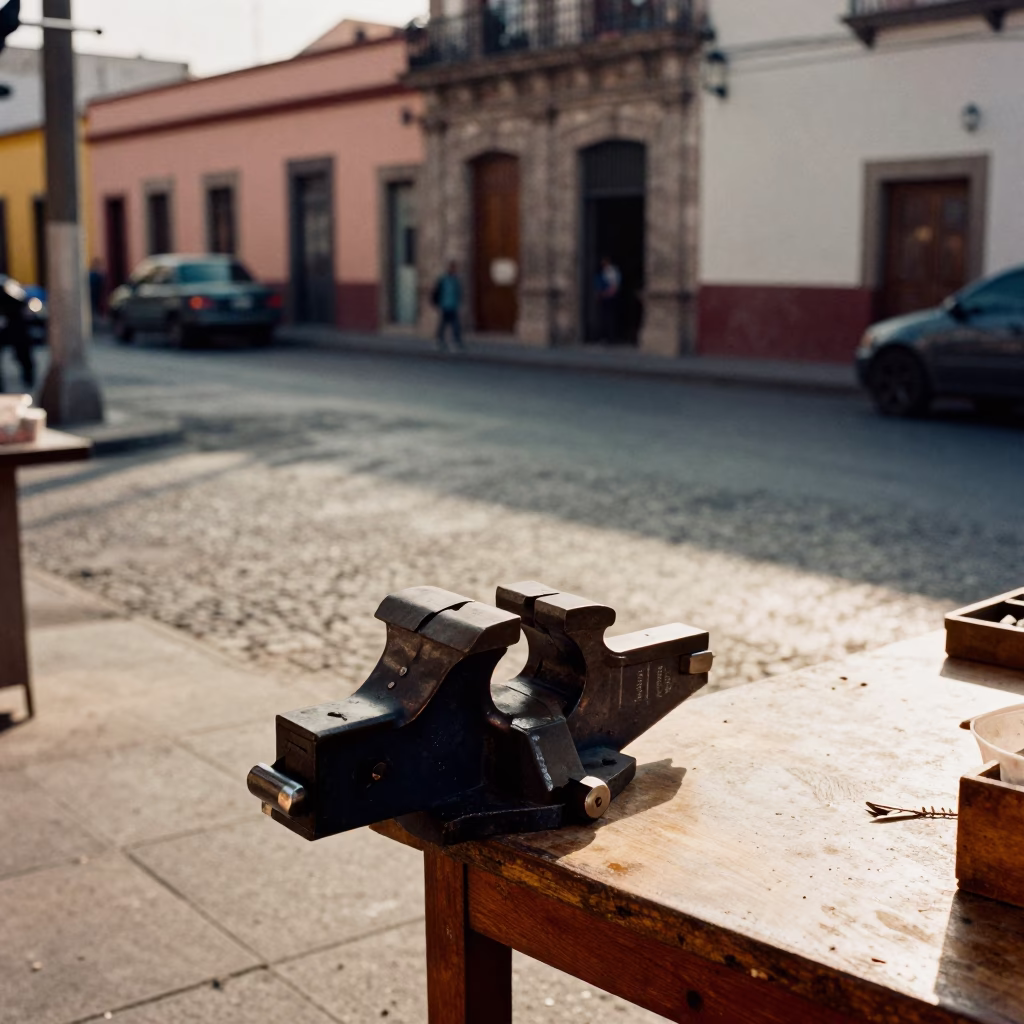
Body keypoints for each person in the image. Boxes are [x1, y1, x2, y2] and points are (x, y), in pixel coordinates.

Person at [0, 277, 35, 394]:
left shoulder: (7, 284)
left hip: (14, 325)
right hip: (11, 325)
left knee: (22, 351)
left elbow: (22, 301)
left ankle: (28, 377)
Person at [432, 259, 465, 352]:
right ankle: (441, 341)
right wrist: (437, 303)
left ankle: (454, 342)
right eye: (453, 268)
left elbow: (458, 293)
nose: (455, 270)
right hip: (445, 305)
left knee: (453, 325)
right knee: (445, 324)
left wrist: (459, 302)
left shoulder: (456, 280)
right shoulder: (443, 279)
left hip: (453, 305)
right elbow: (437, 291)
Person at [595, 256, 621, 342]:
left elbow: (614, 286)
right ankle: (604, 336)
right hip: (604, 297)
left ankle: (610, 337)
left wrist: (607, 293)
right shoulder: (603, 271)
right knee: (604, 317)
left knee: (609, 317)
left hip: (610, 298)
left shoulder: (612, 271)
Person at [88, 258, 107, 323]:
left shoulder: (92, 274)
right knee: (94, 306)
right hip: (94, 294)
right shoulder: (94, 275)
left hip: (95, 294)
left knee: (94, 306)